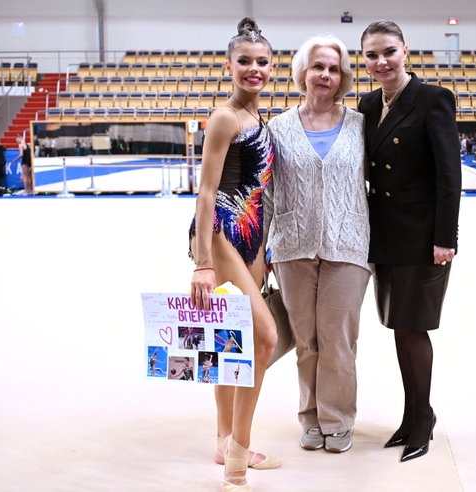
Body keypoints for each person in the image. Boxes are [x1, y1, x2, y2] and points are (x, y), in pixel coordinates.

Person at [358, 20, 461, 463]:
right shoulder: (366, 103)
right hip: (385, 235)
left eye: (389, 52)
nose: (381, 62)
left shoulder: (433, 98)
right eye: (372, 55)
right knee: (399, 327)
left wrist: (445, 238)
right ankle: (412, 413)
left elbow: (448, 175)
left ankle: (423, 421)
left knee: (414, 329)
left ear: (406, 52)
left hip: (423, 238)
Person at [265, 34, 371, 454]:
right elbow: (268, 193)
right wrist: (261, 253)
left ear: (342, 76)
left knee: (339, 341)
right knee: (306, 341)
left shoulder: (362, 125)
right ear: (302, 74)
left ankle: (338, 418)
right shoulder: (278, 127)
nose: (325, 74)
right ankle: (309, 417)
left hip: (349, 247)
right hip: (292, 248)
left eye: (333, 68)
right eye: (317, 66)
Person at [187, 17, 280, 492]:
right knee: (264, 337)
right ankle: (238, 457)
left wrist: (260, 252)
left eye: (262, 62)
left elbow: (260, 191)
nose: (254, 69)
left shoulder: (260, 118)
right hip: (219, 232)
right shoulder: (224, 117)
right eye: (244, 61)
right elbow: (206, 192)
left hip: (246, 239)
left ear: (273, 68)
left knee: (231, 339)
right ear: (229, 66)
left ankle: (224, 439)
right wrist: (204, 261)